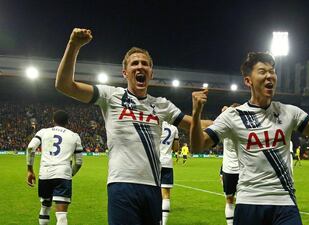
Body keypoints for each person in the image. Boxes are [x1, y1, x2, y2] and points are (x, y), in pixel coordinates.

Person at [55, 28, 211, 225]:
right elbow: (64, 85)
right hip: (121, 186)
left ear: (151, 73)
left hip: (153, 187)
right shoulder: (111, 96)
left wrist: (230, 117)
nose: (140, 67)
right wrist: (74, 46)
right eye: (134, 63)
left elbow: (195, 125)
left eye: (145, 64)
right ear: (125, 72)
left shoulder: (161, 104)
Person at [190, 52, 309, 225]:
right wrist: (196, 115)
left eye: (272, 71)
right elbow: (198, 145)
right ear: (248, 81)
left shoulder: (289, 112)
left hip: (284, 202)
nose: (269, 76)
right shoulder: (233, 116)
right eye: (262, 71)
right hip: (250, 202)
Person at [26, 110, 83, 225]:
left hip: (45, 174)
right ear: (68, 122)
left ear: (53, 120)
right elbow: (79, 162)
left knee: (45, 207)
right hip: (63, 175)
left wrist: (30, 170)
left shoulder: (43, 132)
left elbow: (31, 148)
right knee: (61, 215)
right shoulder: (74, 136)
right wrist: (69, 174)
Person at [220, 104, 240, 225]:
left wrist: (224, 113)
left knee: (229, 200)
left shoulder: (225, 128)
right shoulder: (243, 127)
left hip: (229, 170)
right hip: (244, 169)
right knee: (245, 201)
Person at [159, 121, 179, 225]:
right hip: (167, 162)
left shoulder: (156, 123)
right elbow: (175, 148)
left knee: (151, 191)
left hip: (154, 161)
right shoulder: (174, 128)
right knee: (166, 195)